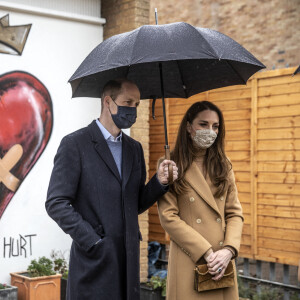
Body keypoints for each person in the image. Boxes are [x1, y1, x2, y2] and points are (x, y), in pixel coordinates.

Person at [46, 78, 178, 300]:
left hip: (128, 259)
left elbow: (134, 203)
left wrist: (159, 182)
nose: (133, 109)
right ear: (108, 102)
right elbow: (56, 202)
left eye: (137, 104)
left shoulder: (134, 149)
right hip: (93, 261)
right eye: (128, 101)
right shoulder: (75, 144)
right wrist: (92, 240)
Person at [157, 101, 243, 300]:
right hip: (191, 259)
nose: (210, 131)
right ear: (189, 127)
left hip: (222, 262)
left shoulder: (224, 164)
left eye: (215, 126)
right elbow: (168, 217)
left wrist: (228, 250)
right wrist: (206, 252)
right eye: (203, 124)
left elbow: (234, 212)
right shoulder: (170, 164)